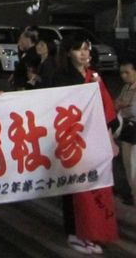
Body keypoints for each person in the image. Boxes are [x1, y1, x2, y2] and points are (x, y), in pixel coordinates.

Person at [54, 37, 119, 254]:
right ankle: (74, 232)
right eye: (78, 49)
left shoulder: (94, 77)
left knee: (94, 186)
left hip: (94, 140)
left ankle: (91, 231)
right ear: (68, 52)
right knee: (74, 187)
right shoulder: (61, 77)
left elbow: (107, 110)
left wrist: (110, 139)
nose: (83, 53)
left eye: (86, 49)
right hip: (71, 141)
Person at [116, 58, 136, 206]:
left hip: (133, 128)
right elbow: (116, 104)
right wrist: (122, 105)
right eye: (121, 73)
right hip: (127, 129)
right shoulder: (126, 87)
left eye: (127, 72)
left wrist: (122, 106)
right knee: (128, 164)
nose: (123, 76)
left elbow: (133, 110)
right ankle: (133, 193)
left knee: (133, 164)